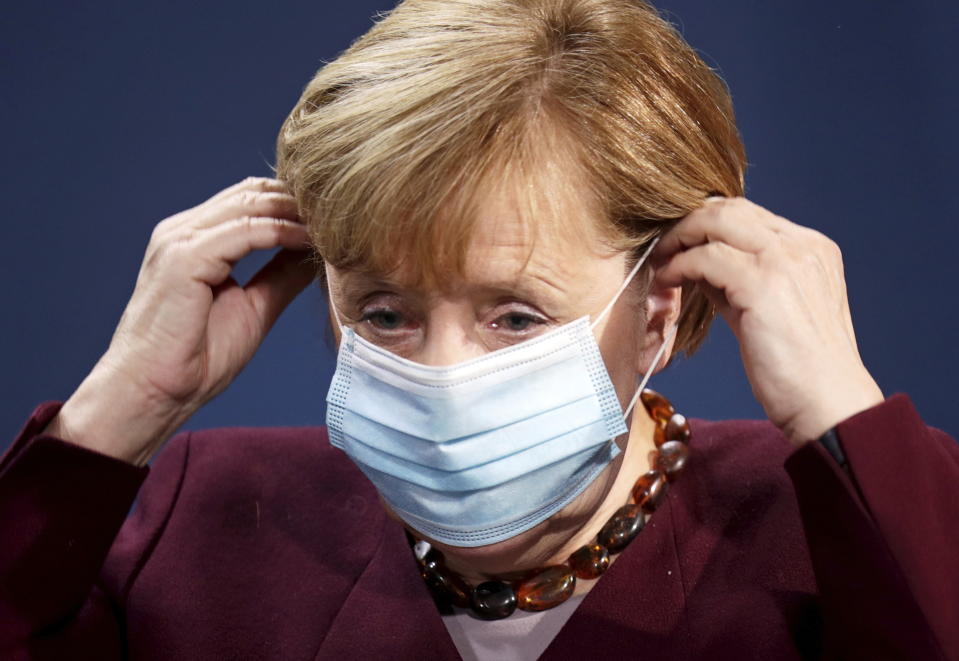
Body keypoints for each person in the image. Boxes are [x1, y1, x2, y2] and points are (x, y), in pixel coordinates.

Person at [1, 0, 956, 658]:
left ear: (660, 303)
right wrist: (120, 412)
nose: (444, 371)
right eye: (384, 312)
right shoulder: (208, 519)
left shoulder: (842, 528)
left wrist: (839, 412)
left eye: (513, 314)